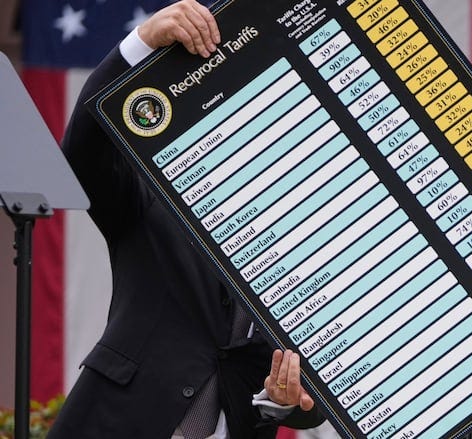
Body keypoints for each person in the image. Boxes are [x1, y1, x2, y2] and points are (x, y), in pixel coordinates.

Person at [47, 1, 325, 437]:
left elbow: (320, 388)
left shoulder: (322, 241)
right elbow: (84, 153)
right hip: (119, 423)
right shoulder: (151, 202)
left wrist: (285, 401)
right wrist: (140, 44)